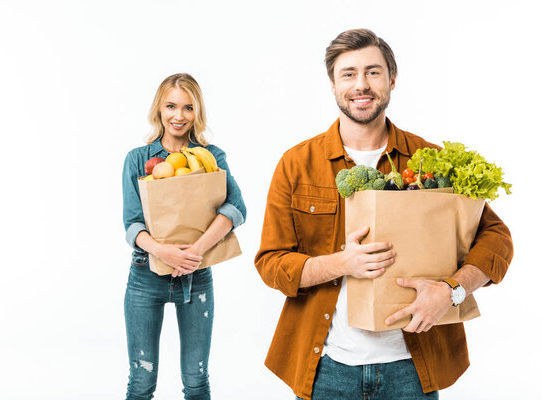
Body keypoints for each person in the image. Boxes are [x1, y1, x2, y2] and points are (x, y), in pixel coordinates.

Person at [254, 29, 513, 400]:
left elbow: (497, 239)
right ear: (332, 84)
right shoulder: (296, 164)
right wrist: (342, 263)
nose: (361, 85)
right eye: (349, 74)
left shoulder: (429, 159)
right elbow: (271, 263)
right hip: (325, 367)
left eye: (373, 72)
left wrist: (452, 291)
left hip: (413, 366)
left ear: (392, 79)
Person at [122, 73, 246, 400]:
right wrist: (165, 252)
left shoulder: (211, 156)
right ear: (159, 110)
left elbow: (237, 208)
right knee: (141, 381)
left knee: (196, 381)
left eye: (188, 107)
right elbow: (132, 225)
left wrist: (194, 253)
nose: (179, 115)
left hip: (197, 276)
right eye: (171, 106)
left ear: (197, 112)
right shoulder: (137, 159)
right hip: (145, 277)